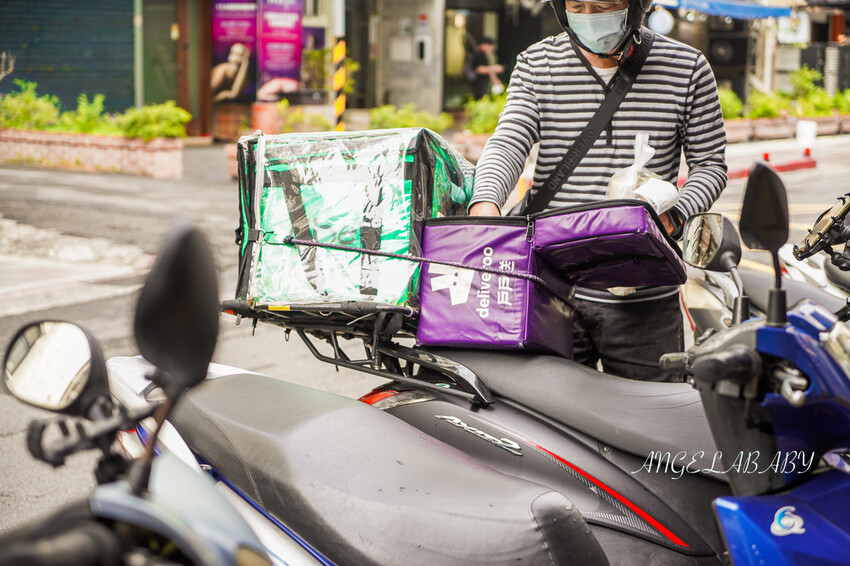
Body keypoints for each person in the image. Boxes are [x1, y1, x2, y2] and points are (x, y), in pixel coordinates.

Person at [468, 0, 727, 381]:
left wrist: (672, 218)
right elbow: (509, 141)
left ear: (637, 7)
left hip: (644, 299)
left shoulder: (688, 68)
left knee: (649, 422)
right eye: (578, 5)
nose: (589, 16)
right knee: (553, 426)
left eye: (604, 5)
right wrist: (486, 204)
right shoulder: (537, 63)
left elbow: (710, 165)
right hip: (550, 288)